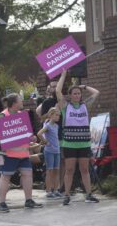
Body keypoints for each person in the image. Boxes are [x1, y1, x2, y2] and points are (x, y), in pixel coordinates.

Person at [56, 70, 100, 205]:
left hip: (84, 143)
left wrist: (83, 87)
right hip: (69, 144)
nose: (77, 95)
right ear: (70, 95)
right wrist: (63, 75)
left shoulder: (85, 105)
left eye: (78, 93)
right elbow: (58, 91)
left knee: (85, 169)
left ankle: (88, 194)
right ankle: (67, 195)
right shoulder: (65, 106)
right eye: (74, 93)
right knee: (69, 170)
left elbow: (96, 93)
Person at [0, 93, 43, 212]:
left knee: (27, 174)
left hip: (23, 153)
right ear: (14, 103)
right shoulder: (3, 115)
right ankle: (2, 203)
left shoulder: (22, 115)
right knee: (5, 177)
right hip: (8, 154)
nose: (22, 102)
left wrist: (31, 138)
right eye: (20, 100)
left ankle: (29, 200)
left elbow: (25, 133)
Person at [37, 107, 62, 199]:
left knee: (56, 170)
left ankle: (55, 190)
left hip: (57, 151)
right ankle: (48, 191)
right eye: (56, 115)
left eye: (59, 115)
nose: (58, 117)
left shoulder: (56, 126)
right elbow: (39, 133)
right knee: (49, 171)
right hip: (49, 151)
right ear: (51, 115)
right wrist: (45, 142)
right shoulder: (47, 125)